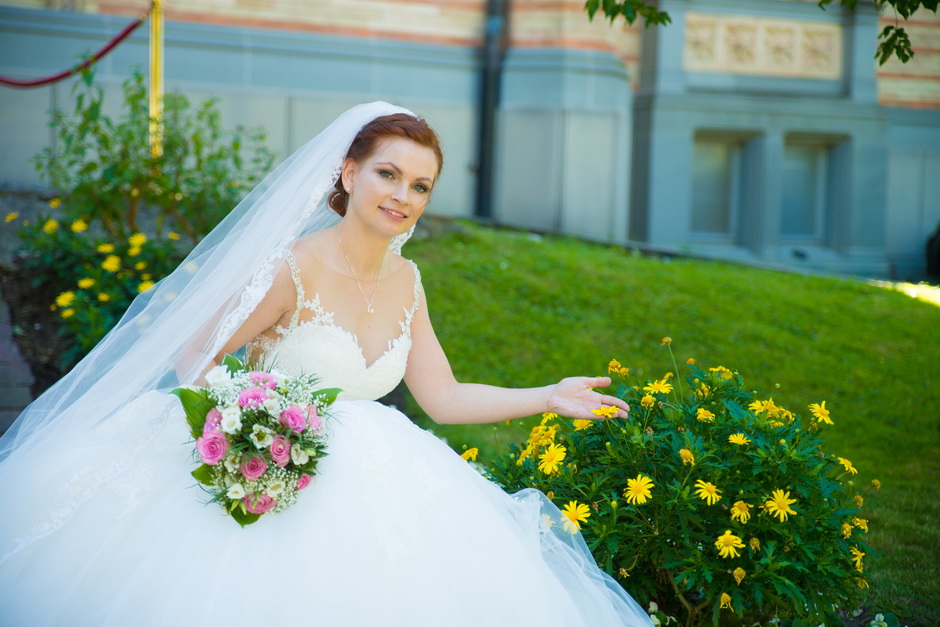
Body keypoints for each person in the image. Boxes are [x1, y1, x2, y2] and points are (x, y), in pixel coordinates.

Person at [0, 102, 652, 626]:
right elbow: (195, 356)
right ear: (348, 173)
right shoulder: (293, 267)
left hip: (383, 480)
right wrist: (244, 425)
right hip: (274, 466)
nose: (403, 195)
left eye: (420, 185)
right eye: (388, 174)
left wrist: (547, 394)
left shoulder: (409, 279)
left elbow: (445, 397)